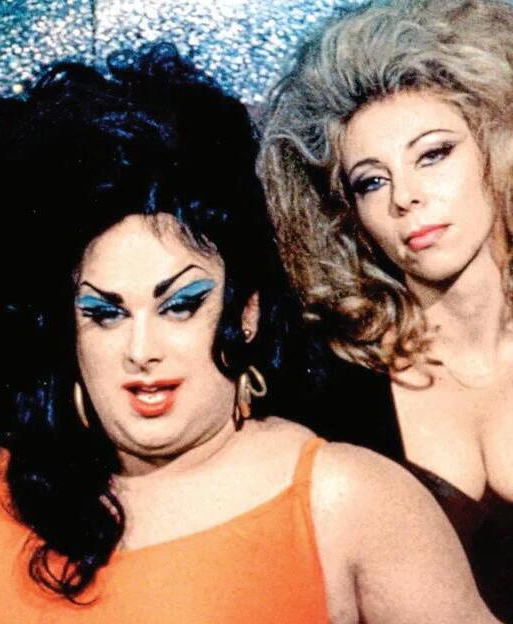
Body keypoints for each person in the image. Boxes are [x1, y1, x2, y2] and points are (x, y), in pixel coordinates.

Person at [0, 44, 497, 624]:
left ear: (245, 311)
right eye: (105, 313)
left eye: (180, 305)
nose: (142, 350)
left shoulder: (346, 498)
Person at [258, 0, 513, 619]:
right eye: (372, 181)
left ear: (495, 147)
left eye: (433, 154)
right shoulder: (329, 383)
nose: (406, 197)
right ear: (348, 216)